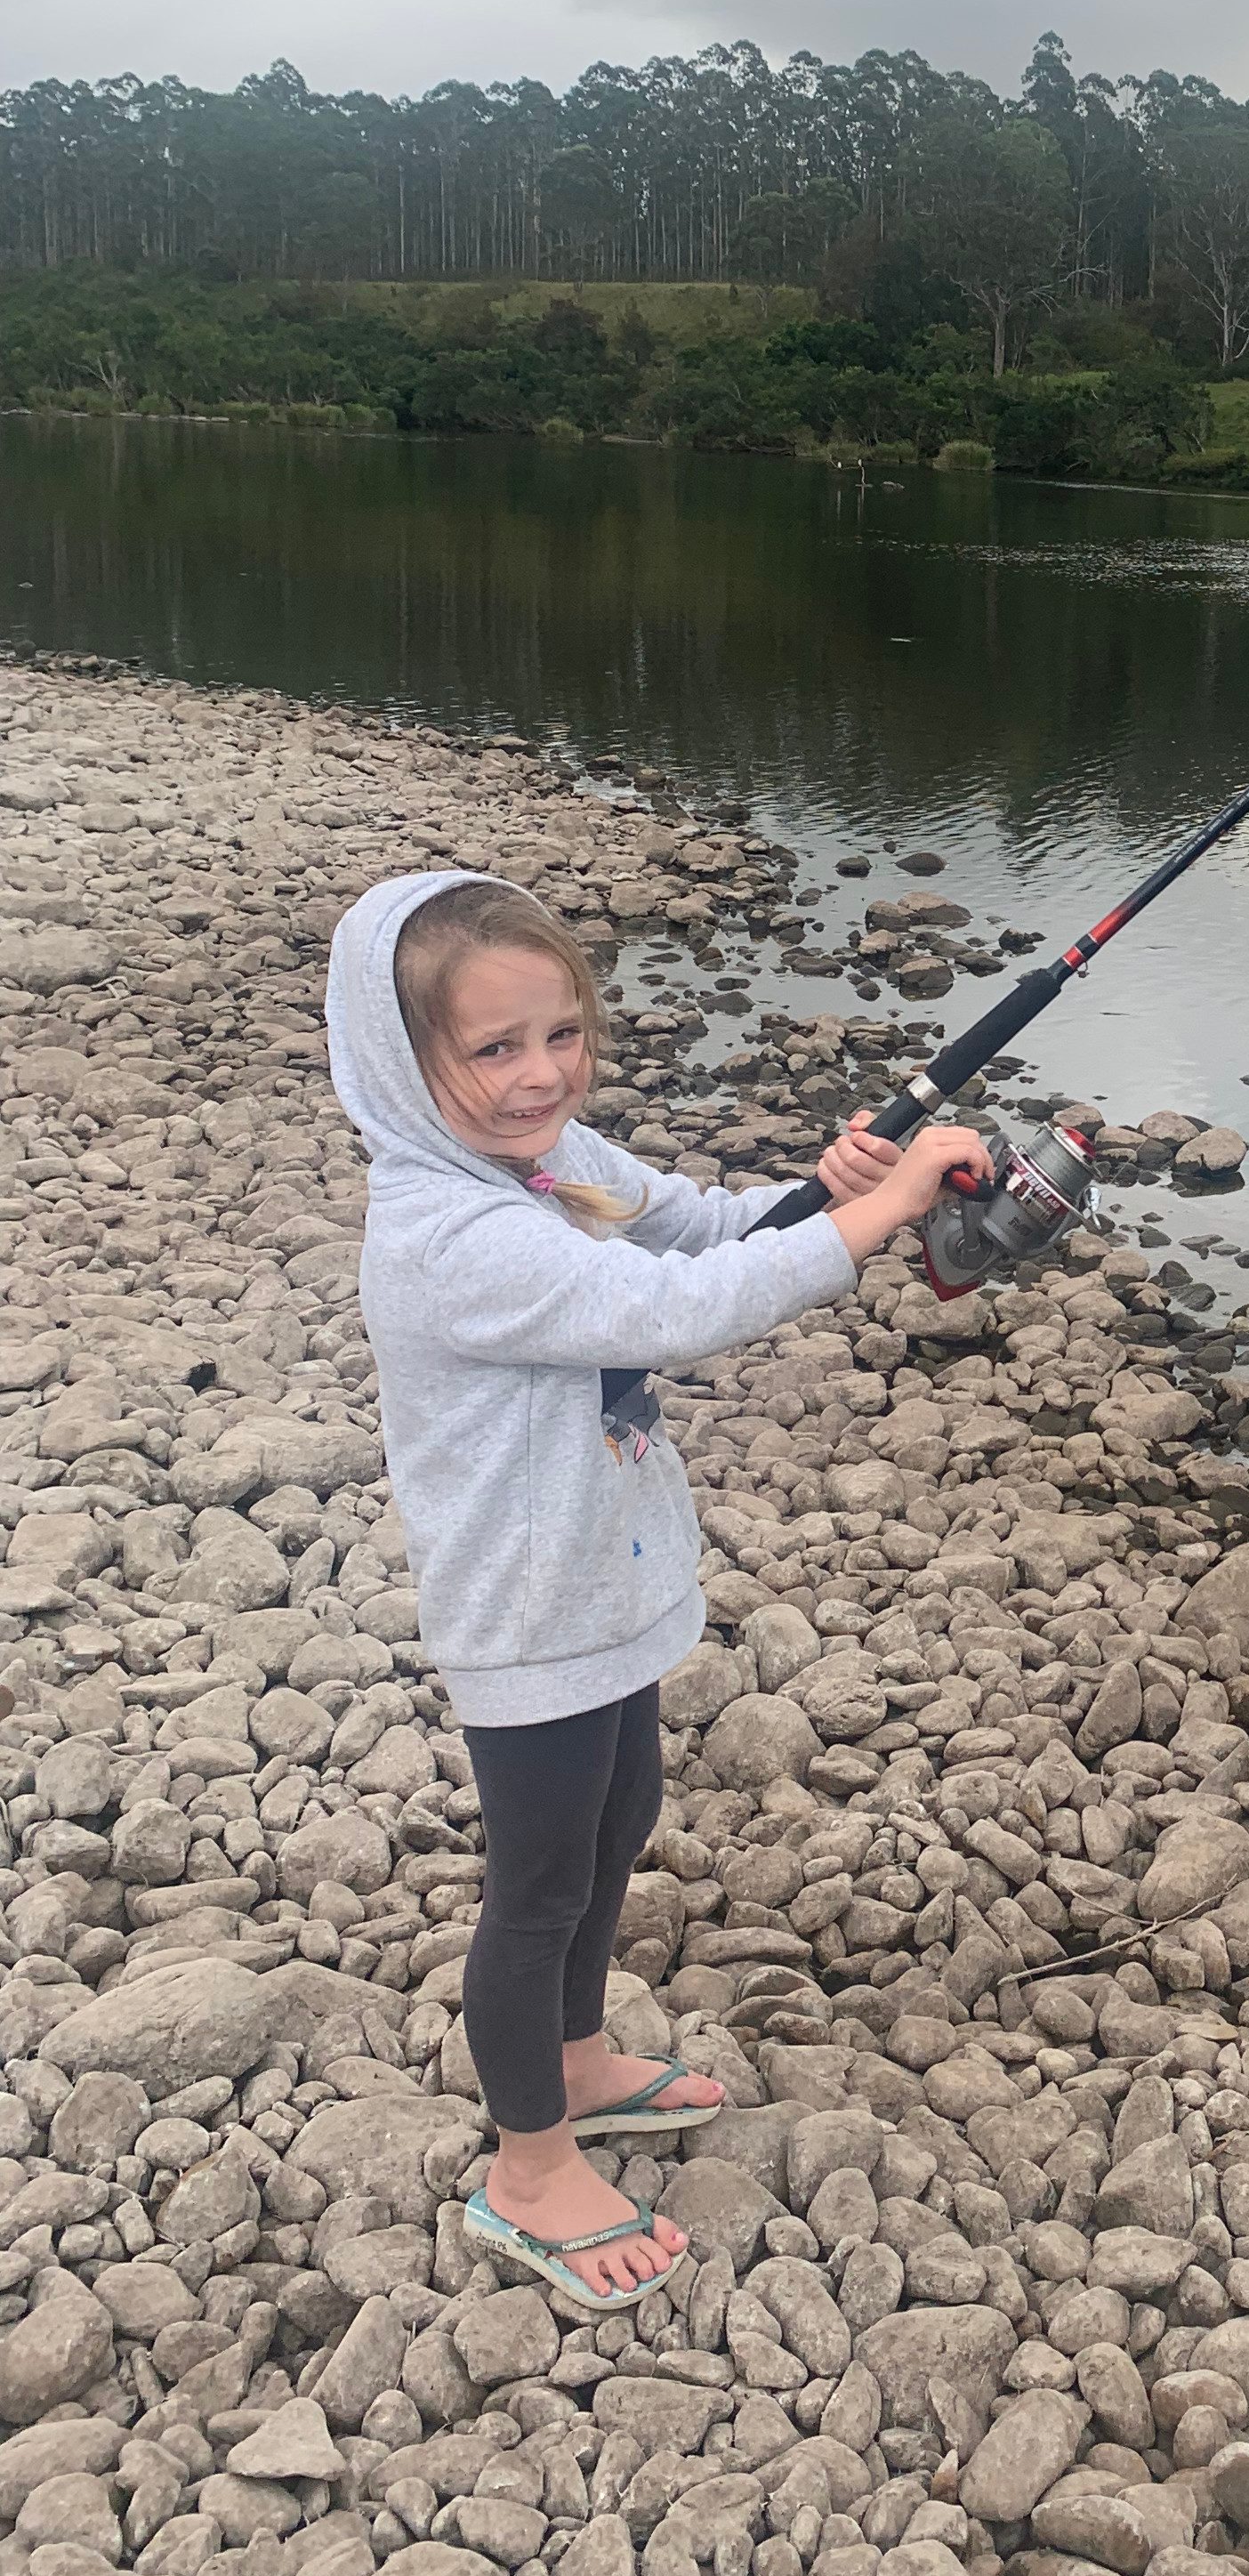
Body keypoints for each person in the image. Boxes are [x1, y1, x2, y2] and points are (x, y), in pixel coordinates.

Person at [325, 869, 984, 2310]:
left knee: (621, 1818)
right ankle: (527, 2168)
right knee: (539, 1884)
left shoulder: (550, 1159)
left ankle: (573, 2065)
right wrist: (886, 1217)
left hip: (601, 1576)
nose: (541, 1074)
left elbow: (702, 1231)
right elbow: (679, 1311)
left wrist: (830, 1192)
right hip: (526, 1610)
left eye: (562, 1034)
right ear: (399, 1060)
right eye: (494, 1048)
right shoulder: (450, 1236)